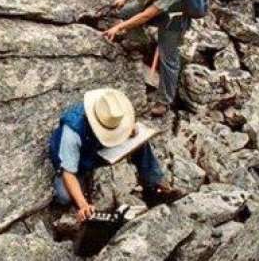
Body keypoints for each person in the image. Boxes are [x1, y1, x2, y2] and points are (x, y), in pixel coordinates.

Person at [48, 88, 182, 221]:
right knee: (64, 196)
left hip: (97, 148)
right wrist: (83, 205)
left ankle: (155, 185)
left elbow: (129, 126)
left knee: (139, 143)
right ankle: (84, 186)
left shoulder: (110, 111)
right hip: (78, 160)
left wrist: (128, 130)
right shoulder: (72, 133)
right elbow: (68, 173)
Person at [103, 0, 189, 117]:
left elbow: (146, 15)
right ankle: (140, 42)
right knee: (126, 12)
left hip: (174, 16)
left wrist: (119, 27)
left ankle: (164, 101)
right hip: (156, 2)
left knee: (168, 57)